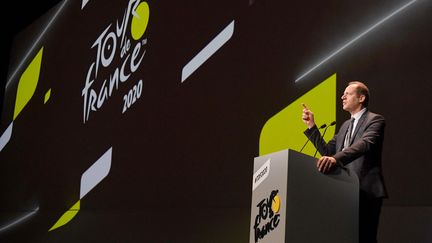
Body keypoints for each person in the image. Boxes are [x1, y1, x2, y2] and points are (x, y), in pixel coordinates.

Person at [301, 81, 387, 243]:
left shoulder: (375, 120)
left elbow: (364, 144)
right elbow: (327, 152)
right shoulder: (345, 126)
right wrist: (312, 125)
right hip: (345, 190)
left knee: (365, 238)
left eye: (347, 94)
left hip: (366, 190)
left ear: (361, 98)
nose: (342, 97)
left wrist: (335, 159)